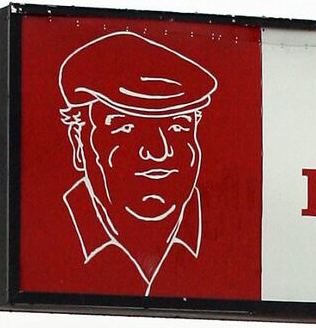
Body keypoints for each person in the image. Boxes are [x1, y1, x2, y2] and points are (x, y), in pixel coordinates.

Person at [57, 29, 218, 294]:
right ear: (78, 142)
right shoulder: (43, 240)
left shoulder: (238, 241)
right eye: (125, 127)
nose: (158, 151)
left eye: (178, 127)